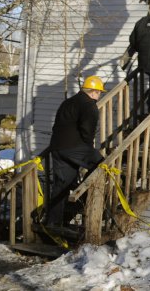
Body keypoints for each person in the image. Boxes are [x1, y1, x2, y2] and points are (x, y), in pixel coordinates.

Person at [45, 75, 105, 227]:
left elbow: (55, 126)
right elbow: (87, 131)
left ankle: (54, 221)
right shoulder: (89, 105)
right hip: (74, 147)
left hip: (57, 147)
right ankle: (86, 196)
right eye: (99, 92)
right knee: (102, 165)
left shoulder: (68, 102)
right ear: (94, 92)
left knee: (61, 185)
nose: (99, 96)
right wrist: (88, 149)